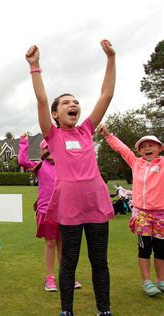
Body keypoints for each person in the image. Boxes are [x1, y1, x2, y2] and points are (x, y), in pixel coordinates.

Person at [26, 40, 116, 315]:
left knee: (100, 261)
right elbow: (42, 99)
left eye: (76, 102)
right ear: (56, 114)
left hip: (96, 203)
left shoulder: (87, 130)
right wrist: (35, 67)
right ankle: (67, 310)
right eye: (66, 103)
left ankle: (104, 310)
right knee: (69, 262)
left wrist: (111, 58)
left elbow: (106, 95)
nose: (73, 105)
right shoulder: (53, 135)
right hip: (69, 207)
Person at [99, 125, 164, 296]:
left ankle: (161, 280)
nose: (147, 148)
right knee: (145, 247)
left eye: (151, 145)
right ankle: (146, 281)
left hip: (161, 215)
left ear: (160, 148)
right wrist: (108, 135)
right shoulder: (136, 163)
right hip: (141, 213)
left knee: (161, 249)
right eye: (143, 146)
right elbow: (123, 149)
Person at [18, 134, 82, 292]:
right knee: (50, 243)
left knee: (63, 244)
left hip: (65, 211)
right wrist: (23, 142)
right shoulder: (39, 166)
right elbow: (22, 161)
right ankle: (50, 277)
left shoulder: (66, 165)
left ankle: (67, 276)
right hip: (46, 211)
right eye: (48, 148)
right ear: (43, 151)